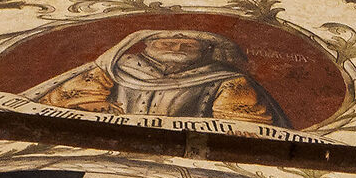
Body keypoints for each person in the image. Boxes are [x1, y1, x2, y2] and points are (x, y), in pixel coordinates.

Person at [25, 30, 287, 128]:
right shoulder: (119, 68)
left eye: (187, 42)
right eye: (167, 41)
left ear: (206, 48)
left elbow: (247, 124)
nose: (176, 47)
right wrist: (96, 109)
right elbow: (62, 102)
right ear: (148, 44)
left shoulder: (226, 80)